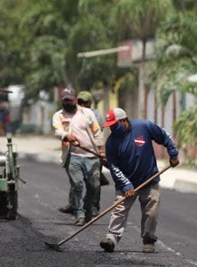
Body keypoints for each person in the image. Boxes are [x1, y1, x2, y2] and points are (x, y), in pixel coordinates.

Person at [99, 107, 179, 254]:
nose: (112, 129)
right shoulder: (111, 142)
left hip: (149, 179)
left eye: (115, 125)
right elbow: (114, 167)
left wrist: (173, 153)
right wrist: (126, 185)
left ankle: (148, 240)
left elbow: (164, 136)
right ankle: (111, 238)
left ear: (124, 121)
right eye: (110, 126)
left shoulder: (144, 126)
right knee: (119, 208)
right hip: (125, 182)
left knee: (151, 210)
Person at [52, 87, 105, 225]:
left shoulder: (87, 114)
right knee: (77, 185)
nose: (67, 103)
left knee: (94, 186)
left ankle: (87, 207)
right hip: (73, 156)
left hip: (91, 156)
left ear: (75, 100)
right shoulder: (59, 115)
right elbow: (57, 130)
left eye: (70, 100)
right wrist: (66, 135)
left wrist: (101, 151)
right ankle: (79, 214)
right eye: (65, 100)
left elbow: (97, 132)